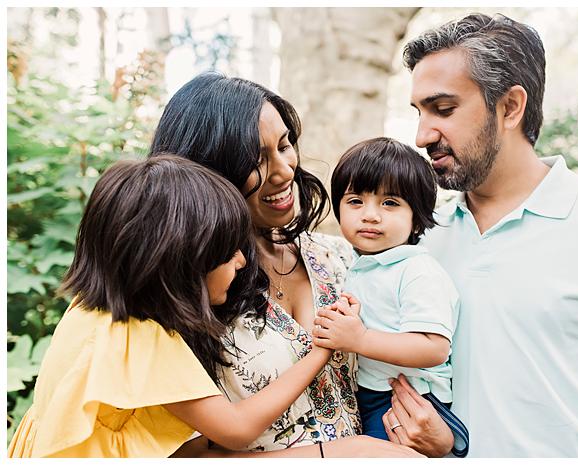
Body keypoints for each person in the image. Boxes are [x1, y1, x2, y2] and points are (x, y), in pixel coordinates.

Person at [383, 13, 578, 458]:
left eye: (443, 109)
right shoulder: (419, 240)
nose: (423, 135)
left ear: (510, 107)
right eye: (419, 112)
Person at [148, 74, 420, 458]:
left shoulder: (342, 257)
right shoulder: (186, 291)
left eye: (284, 145)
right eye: (256, 159)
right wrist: (339, 455)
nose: (284, 170)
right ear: (207, 172)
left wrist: (439, 433)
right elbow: (177, 453)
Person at [8, 155, 339, 457]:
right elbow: (237, 428)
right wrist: (320, 351)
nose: (241, 262)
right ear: (180, 263)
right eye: (226, 252)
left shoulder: (89, 310)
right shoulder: (144, 339)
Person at [311, 137, 461, 443]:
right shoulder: (357, 264)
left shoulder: (417, 270)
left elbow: (433, 348)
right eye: (355, 201)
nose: (370, 215)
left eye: (390, 203)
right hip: (372, 392)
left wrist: (360, 339)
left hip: (409, 399)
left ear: (417, 219)